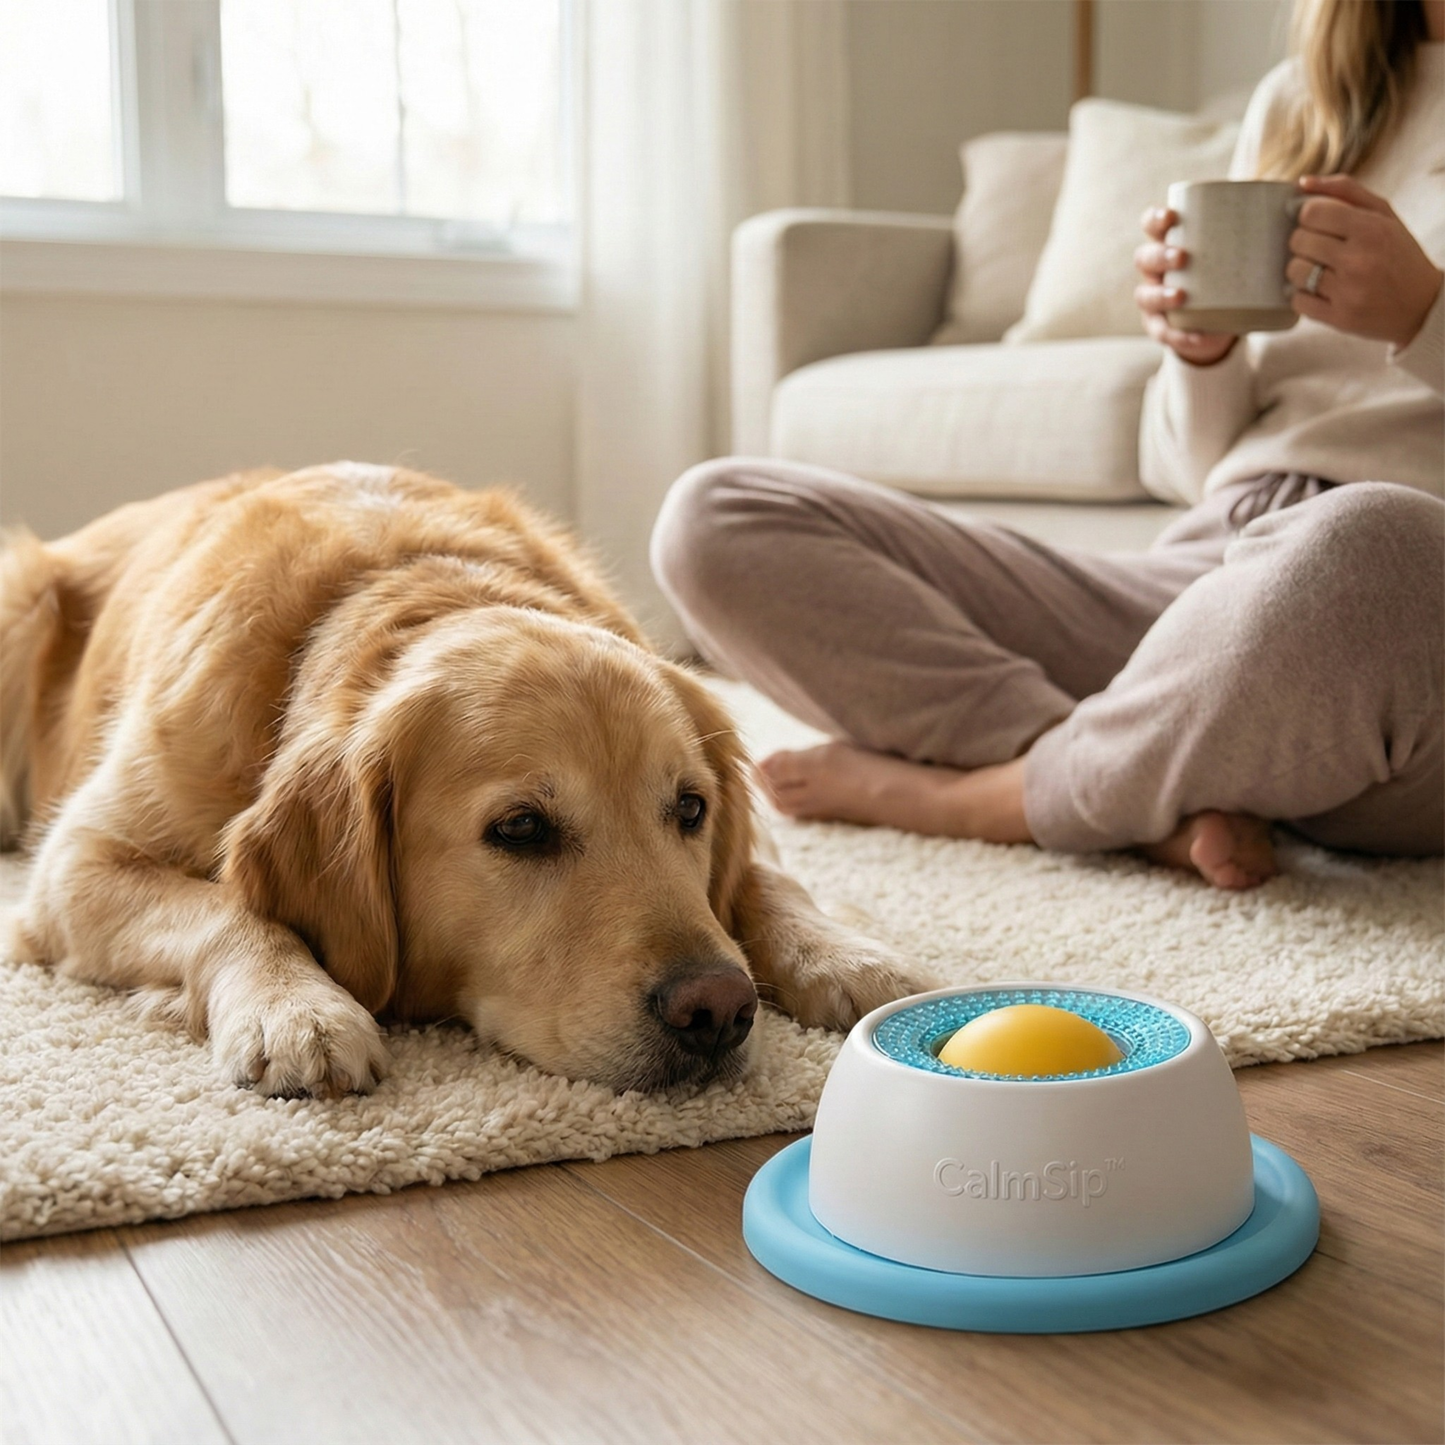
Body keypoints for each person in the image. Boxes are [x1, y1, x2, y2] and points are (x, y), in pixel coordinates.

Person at [650, 0, 1444, 890]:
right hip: (1213, 573)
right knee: (715, 516)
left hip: (1401, 613)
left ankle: (974, 798)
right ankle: (1130, 787)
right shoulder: (1303, 101)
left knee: (1368, 548)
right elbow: (1192, 466)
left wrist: (1425, 313)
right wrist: (1198, 349)